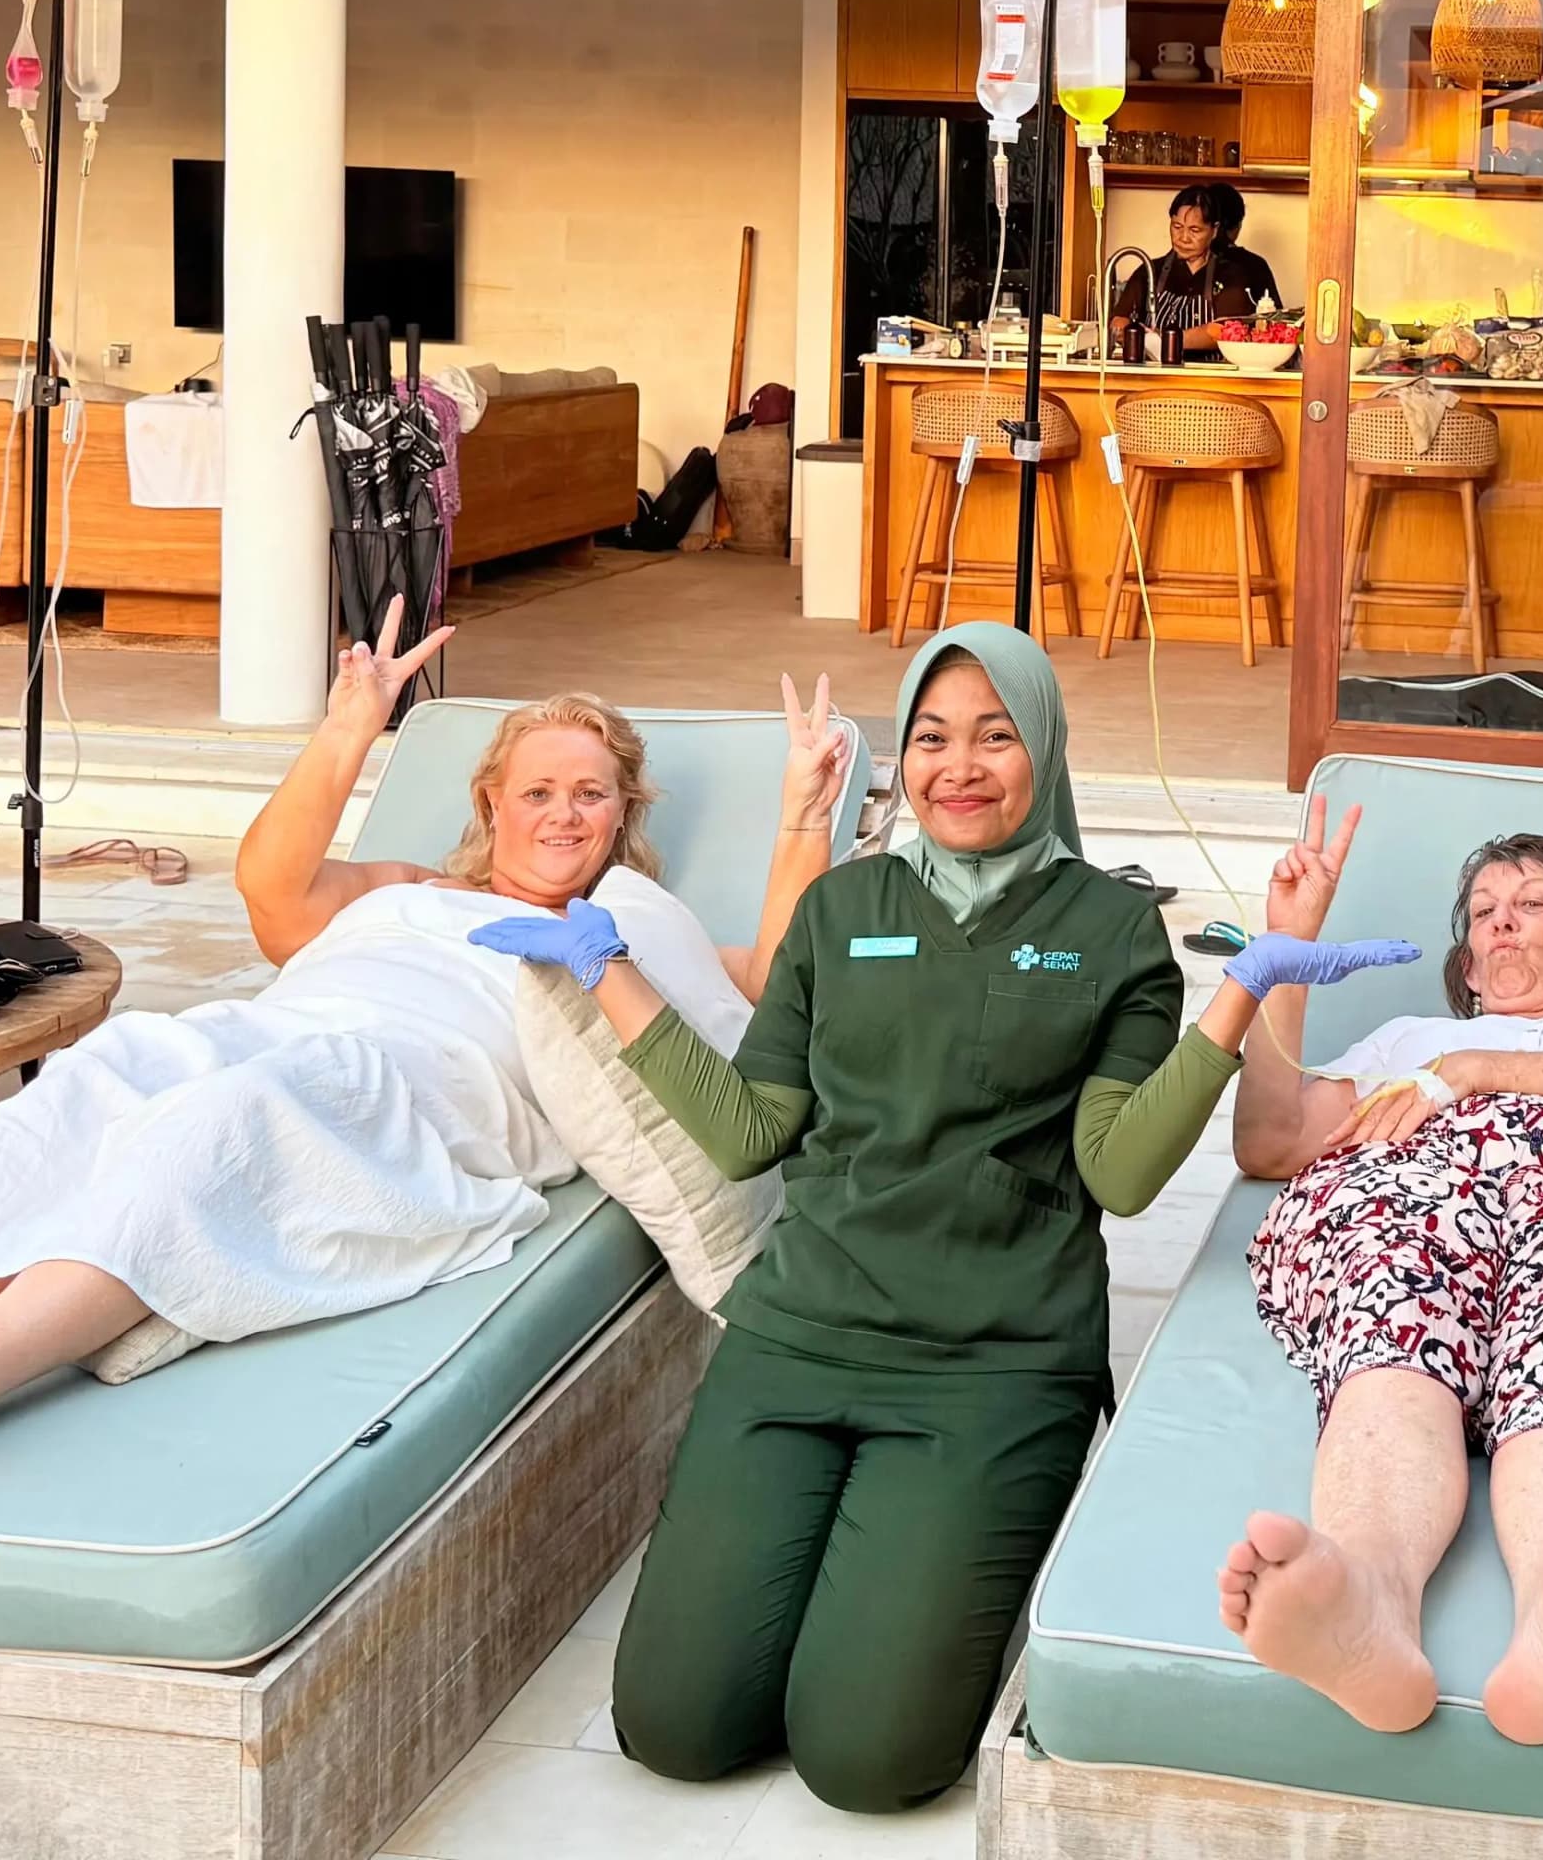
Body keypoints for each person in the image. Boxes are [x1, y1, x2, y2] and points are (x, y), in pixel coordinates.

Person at [0, 608, 849, 1481]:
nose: (567, 812)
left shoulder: (635, 923)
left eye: (594, 793)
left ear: (627, 814)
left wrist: (803, 817)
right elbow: (272, 891)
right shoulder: (406, 883)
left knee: (225, 1127)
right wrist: (351, 725)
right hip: (281, 1028)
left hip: (421, 1091)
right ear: (490, 807)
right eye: (539, 789)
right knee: (92, 1087)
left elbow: (773, 976)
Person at [586, 623, 1405, 1812]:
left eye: (994, 735)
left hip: (993, 1364)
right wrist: (608, 969)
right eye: (929, 738)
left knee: (872, 1760)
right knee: (674, 1725)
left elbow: (1119, 1173)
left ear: (1047, 750)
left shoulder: (1112, 931)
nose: (957, 766)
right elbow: (746, 1131)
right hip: (798, 1336)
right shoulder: (839, 911)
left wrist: (1243, 990)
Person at [1218, 831, 1543, 1747]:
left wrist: (1475, 1074)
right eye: (1484, 915)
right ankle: (1366, 1604)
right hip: (1418, 1202)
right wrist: (1281, 960)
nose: (1502, 924)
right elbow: (1269, 1141)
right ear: (1465, 965)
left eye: (1531, 905)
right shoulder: (1409, 1041)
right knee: (1397, 1300)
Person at [1110, 179, 1283, 358]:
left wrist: (1165, 340)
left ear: (1214, 230)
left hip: (1207, 379)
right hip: (1154, 377)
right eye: (1177, 227)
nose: (1183, 238)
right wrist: (1125, 331)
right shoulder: (1149, 271)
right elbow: (1118, 320)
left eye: (1195, 230)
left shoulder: (1232, 276)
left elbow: (1225, 330)